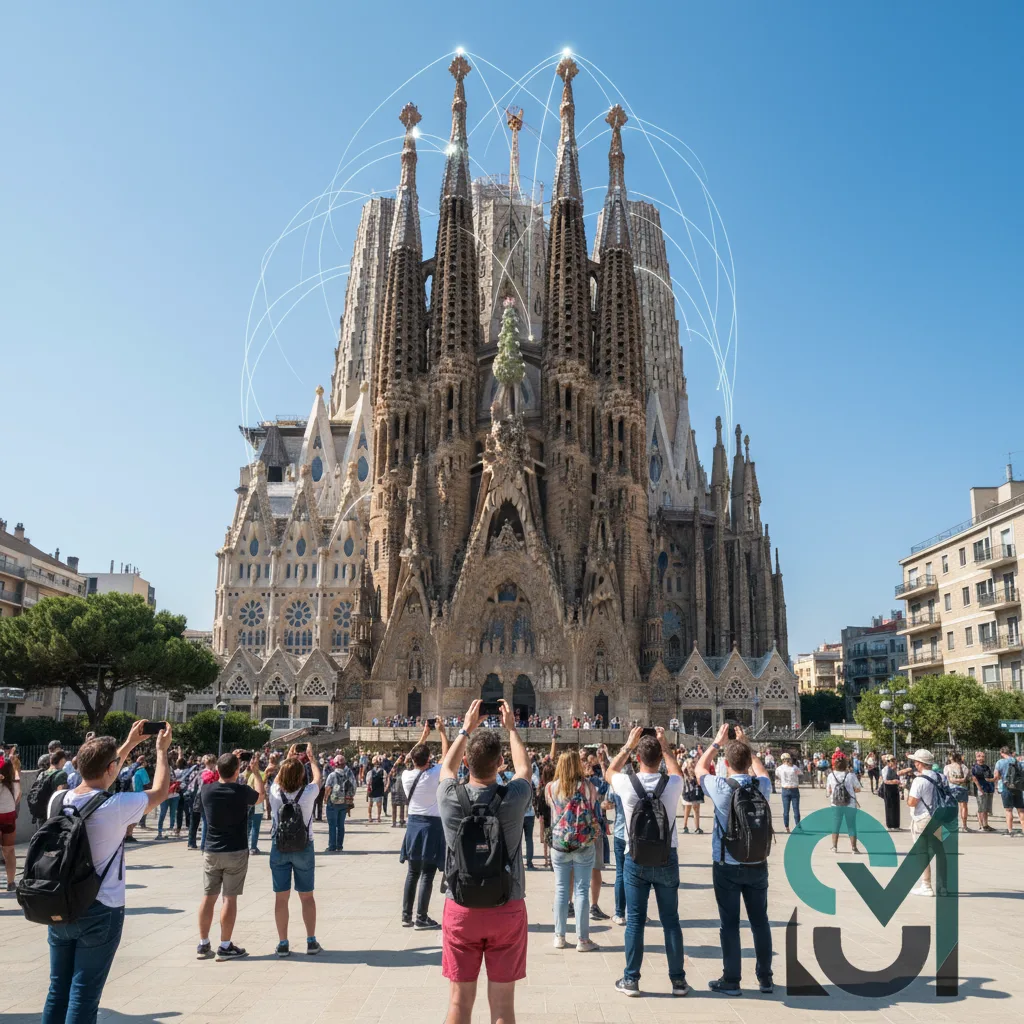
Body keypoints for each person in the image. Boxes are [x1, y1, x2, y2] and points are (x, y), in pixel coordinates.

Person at [41, 722, 172, 1023]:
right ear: (112, 768)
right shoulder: (116, 806)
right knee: (84, 994)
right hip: (101, 908)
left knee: (58, 988)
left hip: (59, 902)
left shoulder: (57, 801)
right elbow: (161, 791)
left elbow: (96, 782)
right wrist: (161, 752)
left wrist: (126, 745)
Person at [437, 699, 532, 1024]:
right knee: (503, 1009)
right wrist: (512, 728)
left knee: (459, 1005)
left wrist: (466, 727)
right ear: (499, 762)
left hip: (461, 907)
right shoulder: (515, 798)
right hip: (506, 905)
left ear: (467, 761)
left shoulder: (449, 796)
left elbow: (446, 770)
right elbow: (524, 771)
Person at [606, 726, 689, 997]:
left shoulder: (627, 784)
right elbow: (676, 771)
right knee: (671, 921)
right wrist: (666, 746)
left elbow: (609, 772)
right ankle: (678, 981)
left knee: (636, 921)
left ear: (638, 758)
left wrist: (628, 745)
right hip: (667, 856)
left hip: (636, 859)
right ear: (659, 757)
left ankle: (631, 980)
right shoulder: (673, 784)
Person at [696, 723, 773, 997]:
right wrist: (748, 746)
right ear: (747, 761)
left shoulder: (720, 786)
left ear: (726, 763)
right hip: (757, 863)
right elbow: (762, 771)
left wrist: (716, 742)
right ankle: (765, 979)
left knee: (729, 924)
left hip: (727, 864)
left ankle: (732, 980)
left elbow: (699, 769)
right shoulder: (761, 785)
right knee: (759, 922)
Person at [197, 750, 265, 960]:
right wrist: (256, 773)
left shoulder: (206, 791)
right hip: (235, 849)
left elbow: (221, 775)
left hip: (212, 850)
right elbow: (260, 797)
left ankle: (203, 943)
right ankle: (225, 946)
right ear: (238, 771)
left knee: (209, 897)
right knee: (229, 898)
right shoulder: (242, 791)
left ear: (217, 769)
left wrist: (227, 761)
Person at [545, 747, 601, 952]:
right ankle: (582, 940)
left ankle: (559, 936)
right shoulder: (588, 786)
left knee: (561, 888)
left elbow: (551, 810)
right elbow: (594, 807)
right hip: (583, 843)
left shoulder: (551, 788)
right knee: (581, 890)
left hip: (559, 844)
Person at [268, 746, 322, 956]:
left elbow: (276, 780)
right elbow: (317, 778)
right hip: (303, 846)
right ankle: (310, 940)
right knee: (307, 897)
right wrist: (312, 759)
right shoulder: (308, 793)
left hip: (279, 846)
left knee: (281, 898)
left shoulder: (274, 793)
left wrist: (287, 760)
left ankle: (283, 943)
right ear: (301, 776)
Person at [399, 720, 451, 929]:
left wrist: (424, 735)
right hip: (431, 825)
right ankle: (421, 917)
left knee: (412, 872)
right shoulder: (433, 774)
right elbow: (447, 758)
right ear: (429, 759)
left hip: (413, 824)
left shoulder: (406, 775)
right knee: (428, 873)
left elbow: (411, 758)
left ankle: (406, 915)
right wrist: (442, 733)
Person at [906, 749, 946, 896]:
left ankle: (926, 885)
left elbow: (912, 802)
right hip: (939, 817)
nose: (915, 764)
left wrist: (906, 797)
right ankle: (943, 886)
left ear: (920, 763)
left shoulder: (919, 780)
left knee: (923, 852)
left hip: (924, 818)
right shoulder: (941, 777)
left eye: (915, 761)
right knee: (939, 851)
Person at [826, 755, 861, 854]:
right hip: (850, 804)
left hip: (836, 804)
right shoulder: (851, 775)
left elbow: (828, 792)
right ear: (845, 765)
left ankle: (834, 847)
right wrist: (850, 790)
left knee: (836, 825)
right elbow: (858, 789)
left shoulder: (831, 775)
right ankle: (854, 848)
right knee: (851, 825)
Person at [324, 755, 356, 852]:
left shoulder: (332, 775)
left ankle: (332, 845)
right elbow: (354, 788)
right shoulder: (348, 775)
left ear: (335, 764)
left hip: (333, 803)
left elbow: (328, 789)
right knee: (341, 825)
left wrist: (325, 799)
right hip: (344, 803)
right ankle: (339, 845)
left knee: (332, 825)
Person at [993, 746, 1024, 836]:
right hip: (1018, 787)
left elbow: (996, 776)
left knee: (1008, 810)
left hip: (1006, 787)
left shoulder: (1000, 762)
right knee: (1021, 810)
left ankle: (1010, 830)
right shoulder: (1018, 762)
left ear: (1002, 753)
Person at [0, 753, 20, 891]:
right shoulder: (15, 783)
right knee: (9, 850)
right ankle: (11, 882)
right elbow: (17, 798)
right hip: (9, 816)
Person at [244, 754, 268, 854]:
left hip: (249, 801)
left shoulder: (248, 774)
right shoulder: (262, 774)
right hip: (258, 801)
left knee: (249, 824)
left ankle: (247, 846)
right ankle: (252, 847)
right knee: (255, 825)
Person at [943, 752, 970, 832]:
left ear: (951, 758)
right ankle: (964, 826)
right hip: (963, 788)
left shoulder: (947, 767)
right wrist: (960, 780)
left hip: (952, 788)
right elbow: (966, 778)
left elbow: (946, 778)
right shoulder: (964, 767)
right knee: (964, 807)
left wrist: (953, 780)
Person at [970, 751, 996, 832]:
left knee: (986, 808)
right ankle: (981, 826)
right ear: (976, 758)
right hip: (980, 789)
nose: (981, 758)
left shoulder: (986, 767)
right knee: (981, 808)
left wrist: (993, 781)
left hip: (988, 789)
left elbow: (991, 777)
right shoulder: (974, 767)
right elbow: (974, 778)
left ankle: (986, 825)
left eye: (983, 756)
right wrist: (979, 789)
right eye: (979, 756)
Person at [776, 752, 801, 833]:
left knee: (786, 810)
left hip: (785, 790)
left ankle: (787, 827)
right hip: (794, 789)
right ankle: (798, 826)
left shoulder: (779, 768)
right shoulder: (794, 767)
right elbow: (800, 773)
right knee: (796, 809)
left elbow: (778, 775)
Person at [680, 758, 705, 835]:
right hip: (688, 793)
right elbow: (681, 767)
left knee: (696, 810)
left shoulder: (697, 772)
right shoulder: (685, 772)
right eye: (690, 764)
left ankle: (697, 827)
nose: (692, 765)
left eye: (693, 763)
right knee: (687, 810)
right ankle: (685, 826)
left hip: (696, 793)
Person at [880, 754, 902, 830]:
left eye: (894, 761)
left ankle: (896, 825)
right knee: (889, 807)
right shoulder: (885, 769)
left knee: (896, 806)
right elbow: (885, 781)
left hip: (894, 788)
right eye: (892, 761)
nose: (894, 763)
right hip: (888, 789)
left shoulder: (894, 769)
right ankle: (890, 825)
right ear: (888, 762)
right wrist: (894, 781)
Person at [388, 756, 408, 828]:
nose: (399, 760)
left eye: (401, 759)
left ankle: (400, 821)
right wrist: (395, 764)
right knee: (395, 806)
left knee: (401, 806)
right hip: (395, 788)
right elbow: (390, 775)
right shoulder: (395, 767)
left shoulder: (404, 767)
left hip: (401, 789)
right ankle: (395, 822)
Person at [366, 756, 386, 823]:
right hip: (374, 789)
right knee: (373, 804)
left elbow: (385, 779)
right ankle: (372, 817)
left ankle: (376, 817)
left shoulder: (382, 771)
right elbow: (368, 781)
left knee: (376, 804)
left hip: (377, 789)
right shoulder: (371, 771)